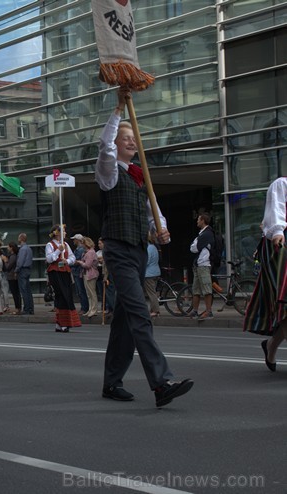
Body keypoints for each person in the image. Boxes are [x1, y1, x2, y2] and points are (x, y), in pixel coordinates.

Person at [95, 87, 193, 407]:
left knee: (125, 321)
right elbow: (105, 146)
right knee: (140, 314)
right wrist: (119, 111)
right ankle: (161, 383)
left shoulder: (140, 177)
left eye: (135, 139)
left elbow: (154, 213)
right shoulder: (109, 173)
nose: (132, 142)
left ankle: (111, 383)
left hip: (138, 252)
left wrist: (160, 231)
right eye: (128, 138)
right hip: (118, 251)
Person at [244, 177, 287, 371]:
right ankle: (270, 347)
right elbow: (276, 210)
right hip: (280, 245)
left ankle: (271, 346)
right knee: (284, 302)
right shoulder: (281, 184)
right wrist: (278, 231)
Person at [45, 225, 81, 332]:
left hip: (65, 271)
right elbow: (49, 259)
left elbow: (72, 257)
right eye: (63, 231)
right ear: (56, 233)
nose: (65, 233)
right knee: (61, 294)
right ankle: (63, 322)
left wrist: (67, 261)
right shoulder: (50, 245)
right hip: (55, 272)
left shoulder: (65, 244)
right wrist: (58, 251)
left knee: (67, 295)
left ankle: (60, 323)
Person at [188, 213, 215, 320]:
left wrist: (195, 244)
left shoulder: (207, 234)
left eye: (198, 219)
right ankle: (195, 311)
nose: (197, 221)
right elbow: (193, 246)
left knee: (206, 289)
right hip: (199, 265)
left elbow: (194, 248)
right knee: (196, 289)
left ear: (203, 220)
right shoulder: (202, 234)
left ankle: (209, 311)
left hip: (204, 264)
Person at [77, 236, 99, 317]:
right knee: (89, 293)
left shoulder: (90, 252)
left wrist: (80, 262)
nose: (82, 245)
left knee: (92, 293)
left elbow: (87, 265)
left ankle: (94, 310)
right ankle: (90, 309)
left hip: (91, 274)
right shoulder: (87, 252)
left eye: (83, 243)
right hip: (86, 274)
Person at [70, 233, 90, 314]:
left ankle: (84, 308)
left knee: (81, 290)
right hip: (77, 272)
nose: (73, 241)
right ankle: (84, 307)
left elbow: (76, 261)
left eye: (74, 239)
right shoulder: (78, 249)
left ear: (78, 240)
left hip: (78, 272)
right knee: (80, 291)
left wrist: (69, 263)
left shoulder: (80, 249)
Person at [15, 233, 34, 315]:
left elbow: (20, 261)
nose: (18, 239)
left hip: (22, 270)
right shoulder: (29, 248)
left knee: (24, 290)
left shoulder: (22, 249)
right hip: (28, 270)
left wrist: (16, 270)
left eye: (19, 238)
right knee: (28, 290)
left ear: (21, 239)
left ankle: (26, 309)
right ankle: (30, 308)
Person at [144, 233, 161, 317]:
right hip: (155, 272)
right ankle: (153, 309)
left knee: (151, 293)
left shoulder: (148, 248)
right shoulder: (154, 247)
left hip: (148, 273)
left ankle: (155, 310)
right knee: (153, 291)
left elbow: (146, 261)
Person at [4, 242, 21, 314]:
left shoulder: (13, 256)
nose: (7, 248)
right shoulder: (12, 256)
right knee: (16, 293)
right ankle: (18, 308)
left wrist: (5, 261)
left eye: (8, 247)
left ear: (11, 248)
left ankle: (17, 308)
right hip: (12, 276)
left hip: (12, 277)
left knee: (15, 293)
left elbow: (8, 267)